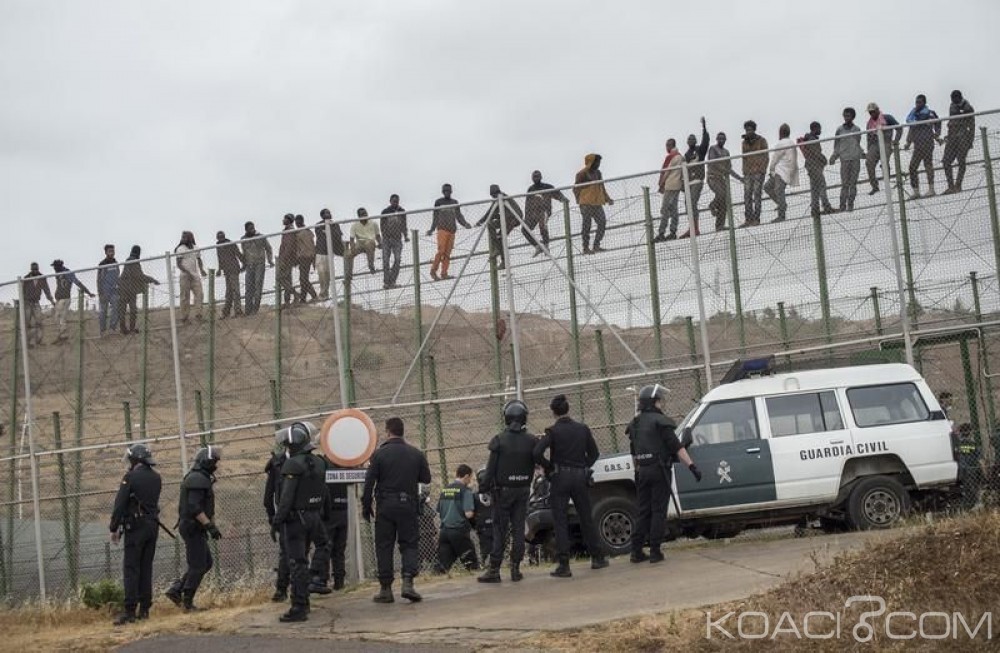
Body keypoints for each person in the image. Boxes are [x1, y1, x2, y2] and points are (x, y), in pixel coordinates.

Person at [625, 385, 701, 565]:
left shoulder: (635, 424)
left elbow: (634, 453)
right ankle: (655, 551)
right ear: (654, 402)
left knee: (643, 511)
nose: (661, 404)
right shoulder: (661, 422)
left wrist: (638, 471)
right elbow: (677, 447)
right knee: (658, 510)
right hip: (659, 471)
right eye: (659, 400)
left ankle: (636, 551)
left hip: (642, 471)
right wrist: (692, 466)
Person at [533, 394, 607, 578]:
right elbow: (594, 453)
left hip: (560, 477)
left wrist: (550, 468)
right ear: (568, 409)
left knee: (560, 520)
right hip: (580, 477)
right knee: (585, 517)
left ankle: (564, 564)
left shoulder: (552, 431)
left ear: (553, 412)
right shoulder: (582, 429)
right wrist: (584, 466)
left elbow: (536, 452)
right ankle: (597, 558)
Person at [362, 417, 431, 603]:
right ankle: (408, 583)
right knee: (409, 543)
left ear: (387, 431)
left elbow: (369, 482)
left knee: (384, 545)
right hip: (408, 504)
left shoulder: (379, 454)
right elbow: (426, 478)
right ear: (402, 431)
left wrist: (366, 505)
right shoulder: (416, 454)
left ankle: (385, 589)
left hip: (385, 506)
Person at [271, 422, 328, 623]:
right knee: (323, 546)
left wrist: (277, 522)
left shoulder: (292, 464)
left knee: (297, 562)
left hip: (296, 519)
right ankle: (314, 580)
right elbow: (324, 492)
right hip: (314, 515)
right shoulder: (319, 462)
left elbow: (286, 498)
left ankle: (299, 606)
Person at [476, 401, 536, 584]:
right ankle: (515, 569)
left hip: (503, 492)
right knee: (519, 529)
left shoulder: (499, 440)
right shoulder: (532, 440)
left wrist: (483, 487)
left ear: (507, 418)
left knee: (500, 530)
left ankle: (494, 569)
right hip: (524, 490)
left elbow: (491, 468)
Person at [109, 443, 162, 625]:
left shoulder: (130, 477)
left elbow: (120, 504)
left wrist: (114, 527)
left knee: (132, 568)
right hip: (152, 526)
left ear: (135, 460)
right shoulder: (157, 478)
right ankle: (145, 609)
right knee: (146, 567)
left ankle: (130, 610)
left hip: (136, 527)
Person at [166, 446, 222, 612]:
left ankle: (176, 590)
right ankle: (187, 602)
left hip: (195, 527)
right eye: (214, 462)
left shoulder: (200, 477)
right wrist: (209, 525)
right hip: (192, 527)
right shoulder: (197, 478)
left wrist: (208, 525)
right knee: (198, 565)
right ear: (206, 461)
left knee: (206, 563)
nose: (216, 465)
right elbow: (194, 507)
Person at [309, 457, 349, 593]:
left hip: (329, 513)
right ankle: (339, 581)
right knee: (339, 549)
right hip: (344, 510)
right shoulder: (345, 463)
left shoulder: (322, 465)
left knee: (325, 547)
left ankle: (322, 580)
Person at [435, 464, 478, 574]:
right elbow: (468, 514)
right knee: (471, 563)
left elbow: (439, 510)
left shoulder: (445, 490)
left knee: (442, 566)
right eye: (471, 478)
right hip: (459, 530)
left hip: (444, 532)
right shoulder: (465, 491)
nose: (470, 481)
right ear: (466, 476)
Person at [263, 439, 290, 602]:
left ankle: (283, 590)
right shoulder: (277, 464)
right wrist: (273, 517)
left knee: (288, 553)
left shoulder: (277, 463)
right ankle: (283, 589)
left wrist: (272, 517)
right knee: (291, 553)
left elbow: (268, 497)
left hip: (287, 515)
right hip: (291, 515)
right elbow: (268, 496)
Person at [475, 185, 524, 270]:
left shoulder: (501, 198)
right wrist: (481, 221)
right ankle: (497, 247)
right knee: (491, 224)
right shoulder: (499, 198)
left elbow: (491, 212)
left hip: (513, 218)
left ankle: (503, 260)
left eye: (494, 194)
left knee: (500, 238)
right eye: (492, 195)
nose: (493, 196)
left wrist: (481, 221)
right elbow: (492, 213)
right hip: (506, 218)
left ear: (497, 192)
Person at [428, 184, 471, 281]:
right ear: (443, 192)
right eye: (445, 191)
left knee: (447, 253)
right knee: (441, 251)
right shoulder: (438, 202)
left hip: (452, 230)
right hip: (442, 229)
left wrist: (465, 224)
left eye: (448, 191)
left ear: (451, 192)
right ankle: (433, 271)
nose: (447, 192)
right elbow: (435, 217)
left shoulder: (455, 202)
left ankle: (444, 273)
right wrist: (432, 229)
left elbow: (459, 216)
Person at [573, 154, 614, 254]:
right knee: (587, 225)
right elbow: (575, 189)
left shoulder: (598, 173)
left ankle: (596, 245)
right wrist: (579, 200)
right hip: (586, 203)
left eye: (599, 162)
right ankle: (585, 248)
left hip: (596, 202)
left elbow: (601, 187)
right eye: (596, 162)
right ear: (590, 162)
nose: (598, 164)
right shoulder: (582, 174)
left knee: (602, 222)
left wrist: (607, 198)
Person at [904, 94, 942, 199]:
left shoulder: (930, 113)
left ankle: (931, 189)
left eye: (920, 102)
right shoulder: (914, 115)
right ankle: (916, 191)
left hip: (927, 142)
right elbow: (912, 128)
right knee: (912, 167)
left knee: (928, 165)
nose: (917, 104)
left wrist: (937, 134)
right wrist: (908, 142)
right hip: (917, 144)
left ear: (924, 103)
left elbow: (937, 123)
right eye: (916, 102)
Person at [524, 170, 568, 254]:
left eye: (537, 176)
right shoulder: (531, 189)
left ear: (541, 177)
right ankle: (537, 246)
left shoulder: (547, 187)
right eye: (534, 176)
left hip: (544, 211)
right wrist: (527, 216)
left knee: (542, 225)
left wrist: (563, 199)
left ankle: (546, 246)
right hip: (533, 213)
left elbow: (557, 194)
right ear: (532, 178)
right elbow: (527, 204)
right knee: (524, 229)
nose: (536, 178)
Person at [680, 117, 711, 238]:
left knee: (692, 202)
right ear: (687, 142)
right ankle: (691, 227)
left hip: (697, 181)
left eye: (693, 139)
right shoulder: (686, 155)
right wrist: (683, 184)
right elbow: (684, 172)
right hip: (688, 183)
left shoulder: (700, 151)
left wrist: (704, 128)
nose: (691, 140)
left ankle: (695, 228)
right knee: (688, 205)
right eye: (689, 139)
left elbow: (706, 141)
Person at [50, 259, 94, 343]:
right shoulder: (58, 274)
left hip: (65, 298)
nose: (54, 268)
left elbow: (77, 283)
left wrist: (88, 292)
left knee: (60, 316)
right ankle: (61, 335)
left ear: (59, 266)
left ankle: (63, 336)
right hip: (59, 298)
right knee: (58, 317)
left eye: (55, 266)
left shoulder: (67, 273)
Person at [118, 246, 159, 335]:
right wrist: (152, 280)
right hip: (128, 289)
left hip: (125, 289)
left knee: (124, 310)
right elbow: (139, 276)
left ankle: (124, 329)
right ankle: (129, 329)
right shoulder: (133, 261)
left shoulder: (129, 261)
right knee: (131, 310)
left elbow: (137, 276)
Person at [829, 107, 863, 212]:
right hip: (844, 159)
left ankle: (850, 204)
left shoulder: (857, 129)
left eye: (848, 115)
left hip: (855, 159)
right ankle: (842, 205)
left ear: (853, 117)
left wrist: (862, 153)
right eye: (845, 115)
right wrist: (834, 156)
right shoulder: (839, 130)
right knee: (845, 184)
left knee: (853, 183)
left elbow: (857, 143)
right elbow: (837, 145)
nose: (846, 117)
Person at [706, 132, 743, 231]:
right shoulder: (712, 149)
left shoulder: (726, 152)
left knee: (724, 201)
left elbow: (729, 168)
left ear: (725, 140)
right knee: (721, 194)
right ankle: (712, 205)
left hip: (721, 179)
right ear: (717, 139)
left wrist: (740, 178)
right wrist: (724, 170)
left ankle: (719, 225)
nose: (721, 140)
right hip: (712, 177)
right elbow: (713, 163)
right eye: (720, 138)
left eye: (723, 139)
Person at [864, 102, 902, 195]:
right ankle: (874, 186)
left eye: (873, 111)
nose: (872, 114)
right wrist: (869, 150)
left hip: (886, 142)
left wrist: (896, 140)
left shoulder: (887, 117)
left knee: (884, 162)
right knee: (869, 163)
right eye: (870, 112)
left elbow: (899, 128)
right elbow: (868, 138)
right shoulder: (869, 124)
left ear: (877, 110)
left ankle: (887, 182)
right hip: (874, 144)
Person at [942, 90, 976, 195]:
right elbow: (951, 122)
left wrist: (970, 139)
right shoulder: (952, 106)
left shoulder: (968, 107)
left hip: (963, 136)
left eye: (955, 98)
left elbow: (972, 125)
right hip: (952, 137)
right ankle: (951, 186)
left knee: (961, 160)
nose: (954, 100)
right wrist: (948, 134)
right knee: (946, 161)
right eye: (952, 99)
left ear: (960, 97)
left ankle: (958, 185)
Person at [764, 123, 799, 223]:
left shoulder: (781, 143)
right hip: (787, 170)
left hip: (780, 171)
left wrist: (771, 169)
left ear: (780, 133)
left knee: (777, 190)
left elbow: (775, 158)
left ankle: (781, 214)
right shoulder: (791, 142)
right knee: (770, 188)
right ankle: (781, 205)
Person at [800, 122, 836, 217]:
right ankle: (826, 206)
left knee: (814, 188)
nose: (820, 130)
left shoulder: (809, 138)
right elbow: (816, 153)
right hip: (814, 166)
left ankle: (815, 209)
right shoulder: (812, 139)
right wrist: (824, 159)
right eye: (819, 128)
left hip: (811, 167)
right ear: (815, 128)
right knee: (822, 185)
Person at [241, 221, 274, 316]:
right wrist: (244, 265)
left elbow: (268, 248)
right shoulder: (243, 239)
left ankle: (255, 309)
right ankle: (248, 310)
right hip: (249, 265)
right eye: (250, 228)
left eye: (253, 227)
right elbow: (244, 252)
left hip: (260, 264)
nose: (252, 229)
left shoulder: (260, 237)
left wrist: (270, 260)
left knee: (258, 286)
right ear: (246, 229)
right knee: (248, 287)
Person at [654, 138, 684, 242]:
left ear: (670, 146)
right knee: (674, 208)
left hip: (670, 185)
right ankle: (673, 231)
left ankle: (661, 232)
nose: (666, 147)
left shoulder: (670, 157)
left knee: (664, 209)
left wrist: (661, 184)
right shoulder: (681, 157)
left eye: (667, 145)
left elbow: (665, 172)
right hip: (677, 185)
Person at [740, 121, 769, 227]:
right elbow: (744, 158)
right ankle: (748, 219)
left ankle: (756, 218)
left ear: (754, 129)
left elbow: (766, 156)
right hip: (748, 172)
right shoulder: (744, 142)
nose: (748, 131)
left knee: (757, 194)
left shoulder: (761, 140)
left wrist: (762, 170)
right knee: (747, 195)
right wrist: (744, 171)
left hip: (758, 172)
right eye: (747, 130)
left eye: (750, 129)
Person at [175, 231, 207, 323]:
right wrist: (187, 272)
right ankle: (184, 317)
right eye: (182, 237)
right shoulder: (180, 249)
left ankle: (198, 315)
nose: (183, 238)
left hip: (195, 275)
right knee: (185, 296)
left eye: (185, 237)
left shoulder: (195, 248)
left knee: (199, 294)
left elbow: (199, 259)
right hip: (185, 275)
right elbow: (179, 264)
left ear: (190, 238)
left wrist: (202, 270)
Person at [314, 209, 345, 300]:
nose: (329, 214)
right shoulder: (319, 225)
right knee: (321, 272)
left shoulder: (335, 224)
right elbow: (323, 235)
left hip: (329, 253)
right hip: (320, 252)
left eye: (329, 212)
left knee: (327, 274)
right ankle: (323, 292)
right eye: (326, 213)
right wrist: (330, 233)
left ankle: (325, 294)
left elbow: (337, 236)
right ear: (322, 215)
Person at [380, 195, 409, 290]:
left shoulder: (401, 211)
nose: (395, 203)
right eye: (393, 201)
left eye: (397, 201)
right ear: (390, 201)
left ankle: (392, 280)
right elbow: (382, 226)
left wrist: (405, 236)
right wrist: (384, 237)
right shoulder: (385, 212)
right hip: (387, 239)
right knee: (385, 261)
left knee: (397, 259)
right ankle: (386, 282)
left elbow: (404, 224)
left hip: (397, 239)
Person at [22, 262, 54, 348]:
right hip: (27, 303)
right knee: (27, 323)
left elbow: (46, 290)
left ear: (38, 269)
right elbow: (22, 291)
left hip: (36, 302)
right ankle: (27, 343)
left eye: (36, 269)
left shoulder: (42, 278)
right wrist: (22, 302)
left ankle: (38, 340)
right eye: (33, 269)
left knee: (39, 321)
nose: (35, 271)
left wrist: (51, 301)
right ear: (31, 269)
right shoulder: (26, 278)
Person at [215, 231, 244, 319]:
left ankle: (237, 311)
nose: (221, 238)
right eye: (219, 237)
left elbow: (238, 253)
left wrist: (244, 264)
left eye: (222, 236)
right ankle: (227, 311)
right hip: (227, 271)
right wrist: (220, 269)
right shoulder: (218, 246)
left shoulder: (230, 244)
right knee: (229, 292)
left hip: (233, 269)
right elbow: (220, 258)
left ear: (224, 236)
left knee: (235, 290)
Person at [345, 208, 380, 280]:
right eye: (362, 214)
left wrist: (380, 243)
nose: (365, 215)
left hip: (370, 241)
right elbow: (351, 239)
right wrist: (352, 249)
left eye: (365, 213)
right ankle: (348, 275)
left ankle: (371, 265)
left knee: (368, 243)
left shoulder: (373, 223)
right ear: (359, 216)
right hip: (360, 243)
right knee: (348, 255)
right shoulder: (354, 225)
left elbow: (377, 236)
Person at [96, 244, 120, 336]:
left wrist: (118, 287)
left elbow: (118, 275)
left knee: (116, 308)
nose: (112, 253)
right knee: (103, 312)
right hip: (104, 292)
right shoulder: (102, 264)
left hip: (114, 291)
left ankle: (112, 328)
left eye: (113, 251)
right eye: (110, 251)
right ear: (106, 252)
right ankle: (102, 330)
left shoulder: (116, 263)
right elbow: (99, 280)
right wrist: (100, 292)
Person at [294, 215, 319, 302]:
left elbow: (307, 246)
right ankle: (304, 298)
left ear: (301, 221)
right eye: (296, 221)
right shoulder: (307, 231)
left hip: (305, 257)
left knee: (303, 279)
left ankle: (311, 295)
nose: (296, 223)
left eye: (297, 221)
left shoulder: (302, 232)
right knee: (303, 278)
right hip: (307, 256)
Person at [472, 467, 494, 566]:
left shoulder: (475, 496)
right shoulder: (496, 493)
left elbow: (472, 514)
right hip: (494, 524)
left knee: (485, 548)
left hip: (483, 526)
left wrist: (474, 525)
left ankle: (484, 563)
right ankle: (488, 563)